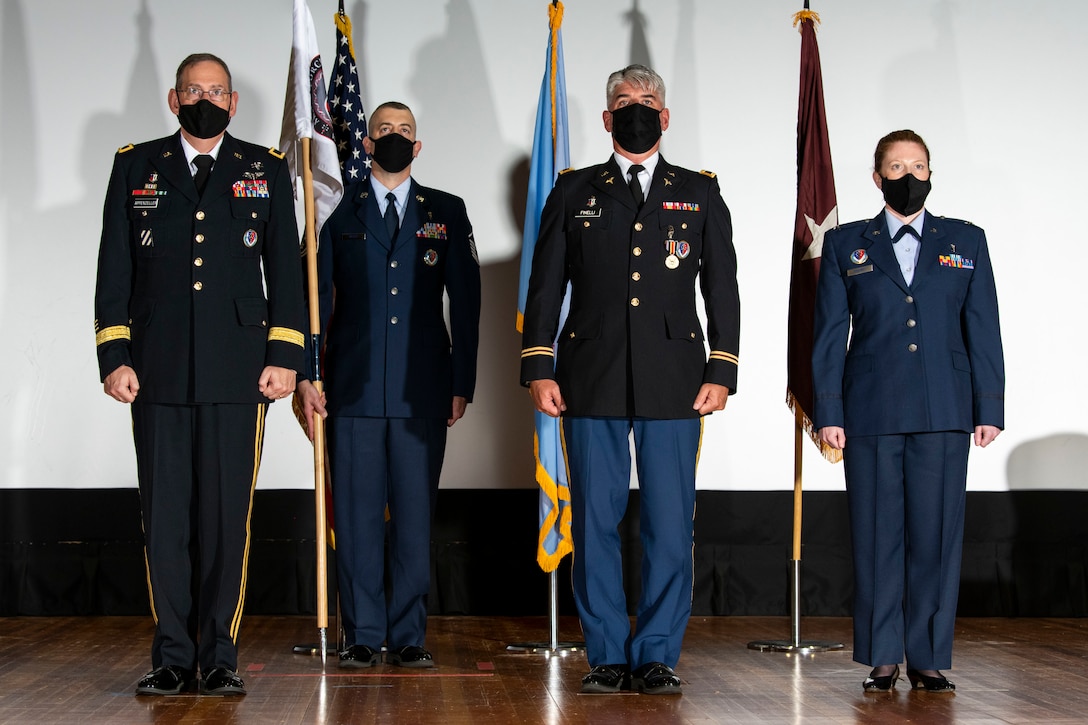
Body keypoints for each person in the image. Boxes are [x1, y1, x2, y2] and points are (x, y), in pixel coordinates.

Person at [520, 64, 740, 695]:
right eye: (623, 100)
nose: (635, 109)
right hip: (590, 376)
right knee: (593, 520)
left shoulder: (698, 191)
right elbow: (545, 285)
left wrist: (723, 367)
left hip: (676, 379)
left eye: (647, 100)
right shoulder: (573, 190)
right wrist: (538, 365)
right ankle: (608, 654)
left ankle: (658, 653)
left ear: (664, 116)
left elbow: (721, 287)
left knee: (670, 523)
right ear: (606, 117)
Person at [94, 54, 306, 696]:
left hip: (240, 371)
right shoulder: (136, 166)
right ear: (173, 98)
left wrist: (285, 356)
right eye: (194, 90)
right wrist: (115, 356)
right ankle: (171, 655)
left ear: (234, 103)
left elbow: (286, 271)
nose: (205, 101)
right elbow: (114, 268)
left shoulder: (265, 168)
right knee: (164, 519)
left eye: (217, 91)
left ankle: (218, 656)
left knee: (224, 519)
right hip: (154, 368)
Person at [812, 129, 1005, 693]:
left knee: (936, 536)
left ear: (930, 174)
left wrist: (989, 405)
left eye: (918, 167)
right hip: (870, 409)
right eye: (896, 168)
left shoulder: (966, 240)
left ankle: (927, 656)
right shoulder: (847, 244)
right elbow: (830, 335)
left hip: (944, 407)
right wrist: (829, 410)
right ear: (878, 178)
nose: (908, 176)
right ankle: (882, 655)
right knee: (877, 536)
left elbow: (983, 327)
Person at [296, 101, 481, 669]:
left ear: (417, 146)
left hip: (421, 389)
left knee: (413, 517)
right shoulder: (336, 208)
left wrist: (462, 381)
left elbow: (466, 302)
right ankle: (361, 633)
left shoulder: (446, 210)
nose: (395, 137)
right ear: (367, 143)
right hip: (350, 389)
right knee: (355, 519)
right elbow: (313, 301)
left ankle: (407, 635)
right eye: (384, 130)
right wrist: (307, 374)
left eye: (405, 130)